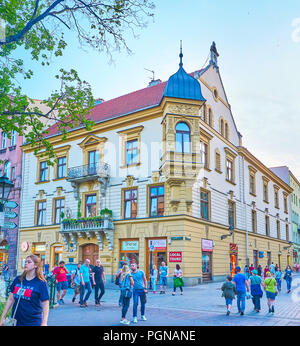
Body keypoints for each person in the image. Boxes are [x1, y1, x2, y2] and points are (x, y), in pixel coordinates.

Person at [0, 255, 49, 326]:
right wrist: (3, 317)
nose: (26, 263)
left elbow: (45, 304)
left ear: (35, 265)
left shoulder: (41, 283)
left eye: (29, 262)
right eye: (25, 262)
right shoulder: (18, 280)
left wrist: (44, 323)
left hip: (33, 322)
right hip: (16, 321)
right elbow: (10, 299)